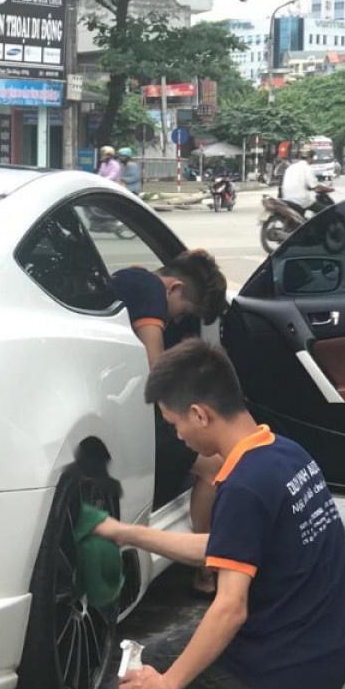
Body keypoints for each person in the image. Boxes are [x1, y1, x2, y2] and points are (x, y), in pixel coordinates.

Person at [92, 340, 345, 689]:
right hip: (333, 638)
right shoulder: (282, 452)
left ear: (200, 414)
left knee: (151, 665)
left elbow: (230, 608)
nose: (178, 436)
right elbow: (227, 546)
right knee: (182, 649)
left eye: (175, 423)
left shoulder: (242, 486)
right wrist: (128, 534)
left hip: (300, 656)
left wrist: (168, 684)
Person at [110, 251, 228, 596]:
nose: (178, 320)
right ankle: (207, 568)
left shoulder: (129, 275)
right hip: (137, 415)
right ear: (173, 287)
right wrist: (178, 415)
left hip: (119, 408)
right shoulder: (148, 287)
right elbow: (154, 364)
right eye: (184, 311)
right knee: (214, 468)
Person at [280, 147, 335, 215]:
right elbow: (315, 187)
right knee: (324, 211)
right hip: (300, 200)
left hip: (287, 198)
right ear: (309, 158)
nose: (313, 160)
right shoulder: (307, 168)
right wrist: (328, 189)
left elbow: (301, 184)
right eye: (312, 158)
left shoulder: (291, 167)